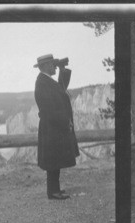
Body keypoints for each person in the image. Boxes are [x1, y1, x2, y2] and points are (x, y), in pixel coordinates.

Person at [33, 54, 79, 200]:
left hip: (52, 126)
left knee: (55, 158)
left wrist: (62, 69)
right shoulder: (43, 82)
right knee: (53, 160)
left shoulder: (46, 80)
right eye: (53, 64)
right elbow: (50, 108)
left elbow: (62, 88)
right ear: (46, 66)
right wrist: (65, 121)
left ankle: (54, 189)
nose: (54, 66)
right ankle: (53, 192)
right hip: (52, 126)